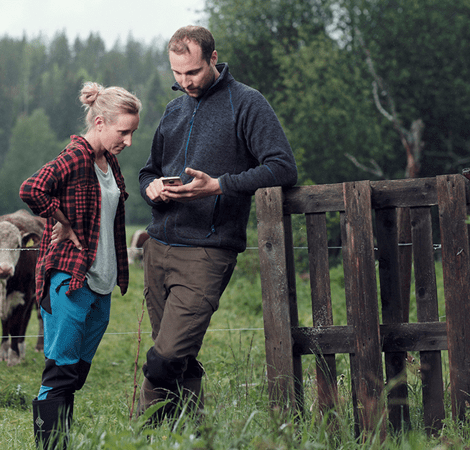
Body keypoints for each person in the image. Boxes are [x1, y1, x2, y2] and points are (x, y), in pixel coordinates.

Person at [137, 25, 298, 422]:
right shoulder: (174, 110)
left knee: (165, 357)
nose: (185, 81)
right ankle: (192, 435)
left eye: (192, 71)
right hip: (158, 248)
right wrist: (151, 187)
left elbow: (282, 167)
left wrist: (219, 186)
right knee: (180, 357)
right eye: (177, 73)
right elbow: (148, 171)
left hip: (207, 251)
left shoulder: (247, 103)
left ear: (213, 58)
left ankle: (138, 435)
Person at [20, 81, 141, 449]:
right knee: (59, 372)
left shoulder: (109, 162)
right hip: (69, 279)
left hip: (100, 283)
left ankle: (62, 442)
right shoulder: (74, 157)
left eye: (132, 133)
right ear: (100, 122)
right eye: (124, 132)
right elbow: (31, 189)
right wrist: (61, 219)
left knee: (74, 374)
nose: (128, 141)